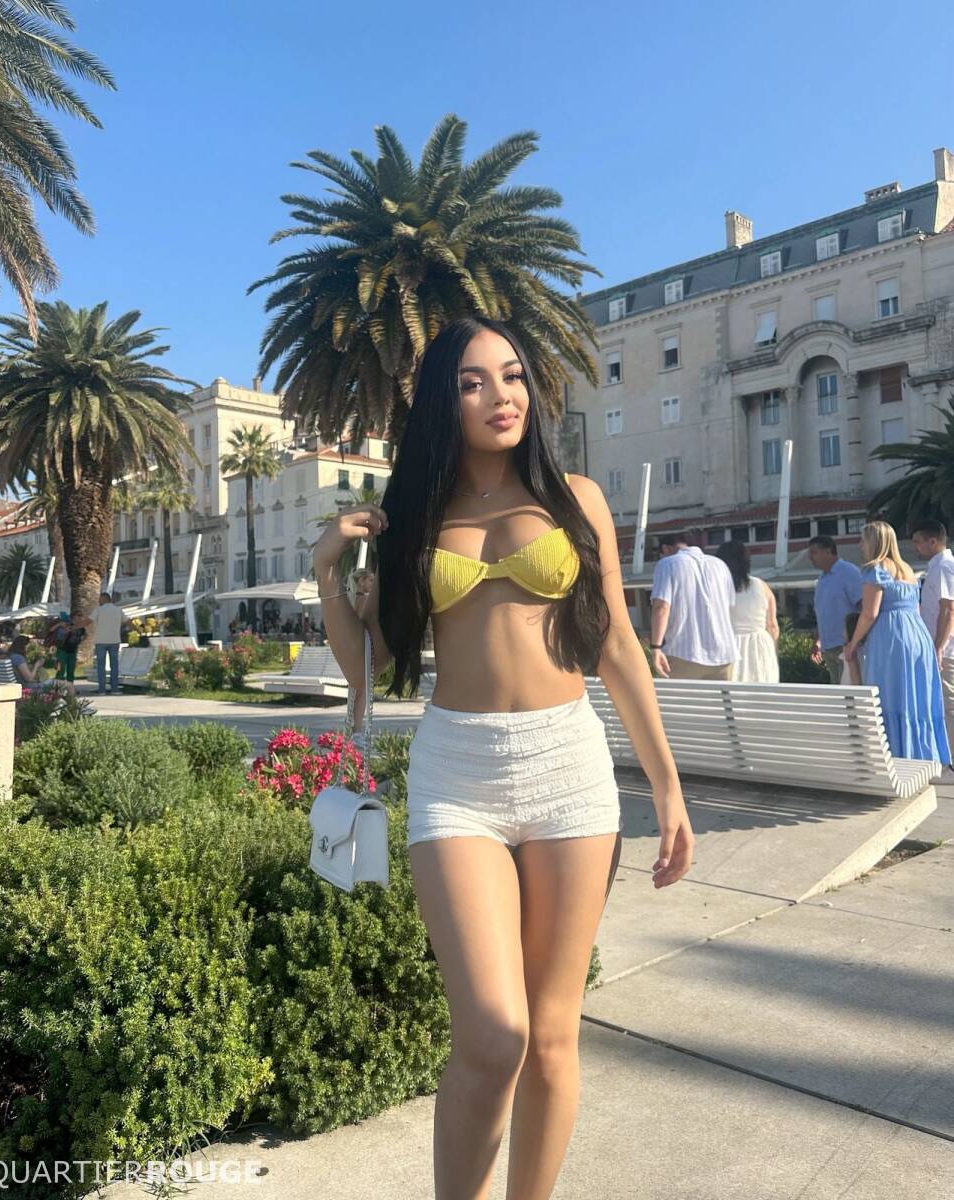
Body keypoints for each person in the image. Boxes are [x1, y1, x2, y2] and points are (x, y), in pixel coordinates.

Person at [312, 317, 692, 1198]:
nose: (500, 395)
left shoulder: (576, 499)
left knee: (552, 1037)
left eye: (513, 375)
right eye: (472, 381)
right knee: (491, 1035)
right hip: (459, 773)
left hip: (569, 766)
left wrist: (668, 790)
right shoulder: (411, 518)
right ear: (443, 402)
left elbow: (619, 647)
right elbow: (365, 664)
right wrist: (329, 571)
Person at [844, 521, 950, 764]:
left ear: (874, 542)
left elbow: (869, 613)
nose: (860, 545)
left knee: (888, 696)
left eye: (863, 540)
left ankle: (896, 756)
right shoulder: (908, 570)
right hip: (918, 636)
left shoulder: (875, 569)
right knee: (915, 696)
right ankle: (921, 756)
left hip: (890, 637)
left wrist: (853, 643)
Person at [648, 531, 737, 679]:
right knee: (720, 696)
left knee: (681, 695)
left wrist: (655, 647)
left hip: (683, 653)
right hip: (724, 654)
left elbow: (661, 608)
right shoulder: (720, 564)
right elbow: (730, 606)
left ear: (665, 549)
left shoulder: (667, 564)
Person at [911, 518, 954, 776]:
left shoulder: (943, 567)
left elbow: (948, 610)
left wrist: (938, 647)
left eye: (918, 541)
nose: (915, 546)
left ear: (933, 541)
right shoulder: (938, 567)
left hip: (946, 652)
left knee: (949, 706)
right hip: (942, 650)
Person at [715, 540, 779, 683]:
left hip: (730, 646)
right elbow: (772, 626)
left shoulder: (717, 589)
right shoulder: (761, 585)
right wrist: (773, 652)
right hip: (761, 645)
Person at [808, 535, 862, 684]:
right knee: (838, 692)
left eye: (814, 552)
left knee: (850, 691)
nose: (810, 558)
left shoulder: (849, 572)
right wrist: (818, 642)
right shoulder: (822, 580)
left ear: (828, 551)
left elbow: (863, 607)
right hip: (828, 648)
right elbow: (824, 614)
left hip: (847, 647)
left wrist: (855, 641)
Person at [7, 635, 75, 699]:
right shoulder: (19, 658)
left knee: (54, 689)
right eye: (28, 645)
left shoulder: (10, 656)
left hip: (19, 686)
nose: (28, 648)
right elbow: (29, 678)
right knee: (69, 685)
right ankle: (71, 707)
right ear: (22, 645)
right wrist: (36, 666)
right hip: (29, 688)